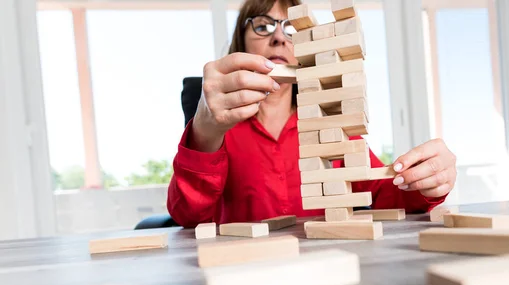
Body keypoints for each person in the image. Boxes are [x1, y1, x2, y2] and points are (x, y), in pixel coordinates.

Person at [167, 0, 457, 227]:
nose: (279, 37)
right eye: (263, 26)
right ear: (240, 42)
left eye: (292, 29)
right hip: (243, 271)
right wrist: (204, 132)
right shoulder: (220, 132)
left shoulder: (334, 123)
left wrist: (427, 181)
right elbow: (187, 216)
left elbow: (388, 196)